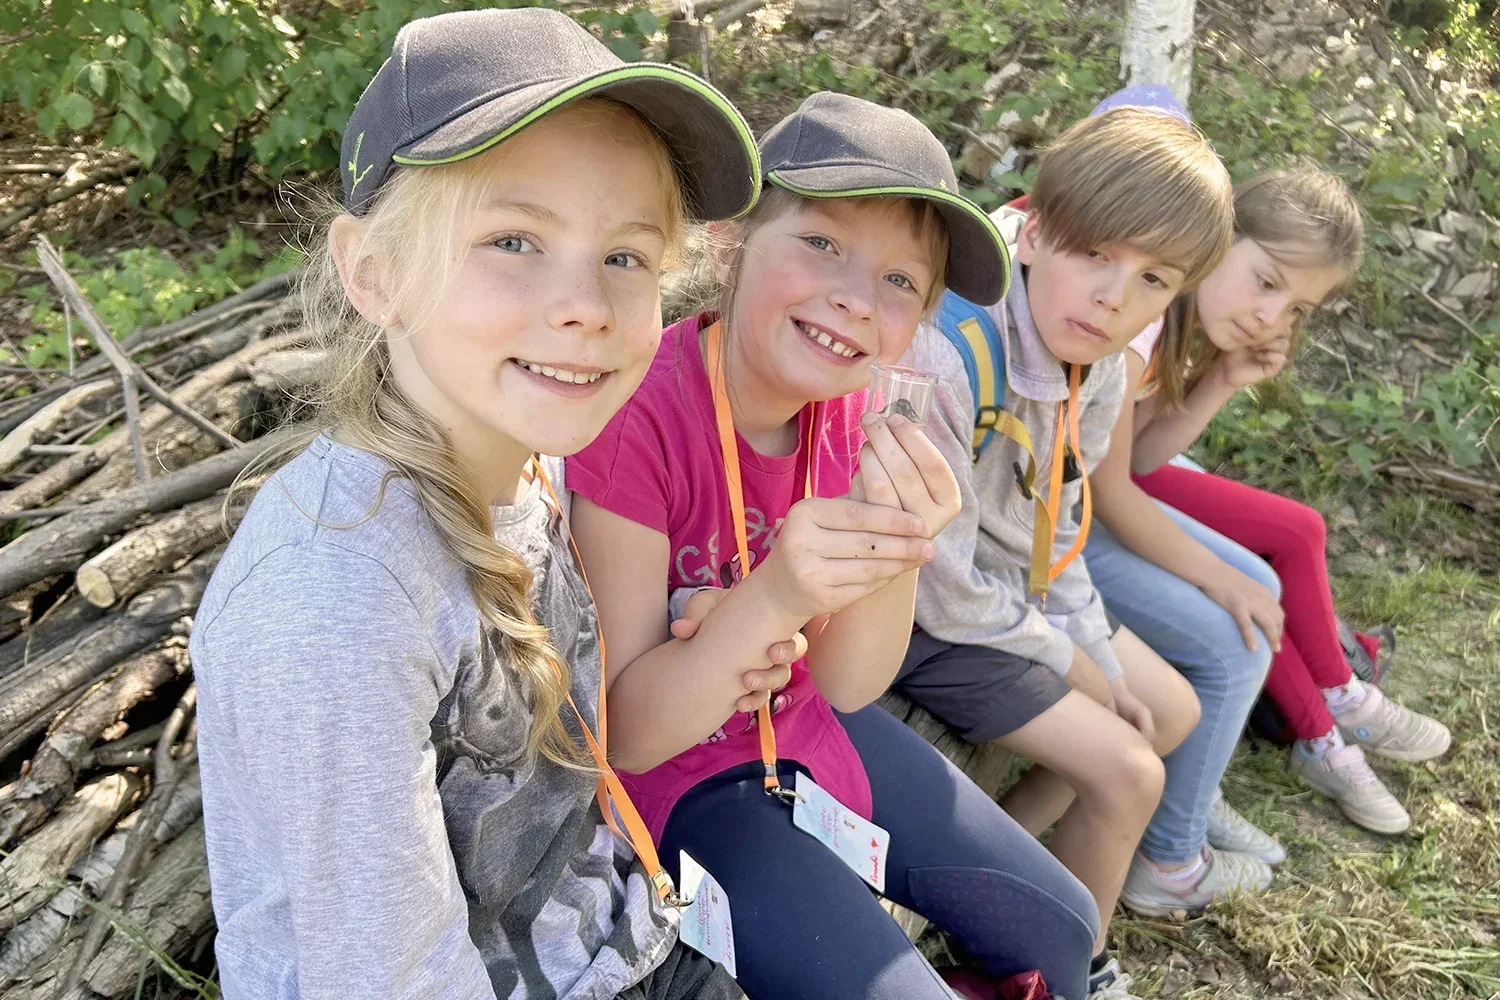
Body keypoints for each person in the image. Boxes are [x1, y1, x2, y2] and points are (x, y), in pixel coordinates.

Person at [189, 9, 770, 997]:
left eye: (627, 256)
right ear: (373, 273)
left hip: (609, 941)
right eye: (513, 239)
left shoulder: (523, 458)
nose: (585, 302)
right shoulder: (334, 599)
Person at [568, 92, 1100, 1000]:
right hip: (679, 788)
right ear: (732, 243)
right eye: (822, 244)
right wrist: (773, 600)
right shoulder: (635, 419)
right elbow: (631, 738)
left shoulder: (852, 414)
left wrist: (896, 548)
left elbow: (853, 684)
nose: (857, 298)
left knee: (1063, 929)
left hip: (805, 730)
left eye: (901, 282)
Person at [896, 94, 1247, 996]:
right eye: (1096, 254)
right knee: (1129, 769)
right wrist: (1082, 672)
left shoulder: (1091, 361)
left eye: (1154, 282)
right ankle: (1073, 967)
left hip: (1002, 596)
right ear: (1034, 230)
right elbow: (944, 588)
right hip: (916, 616)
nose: (1113, 297)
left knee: (1165, 711)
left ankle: (986, 896)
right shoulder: (952, 352)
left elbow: (1056, 528)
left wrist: (1100, 662)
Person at [1088, 166, 1451, 839]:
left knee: (1268, 568)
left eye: (1295, 310)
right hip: (1054, 522)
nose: (1269, 316)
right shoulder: (1145, 317)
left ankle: (1321, 719)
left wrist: (1222, 377)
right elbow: (1113, 486)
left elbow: (1136, 454)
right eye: (1266, 282)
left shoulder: (1176, 323)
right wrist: (1215, 574)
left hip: (1081, 500)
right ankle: (1326, 718)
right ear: (1220, 235)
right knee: (1265, 567)